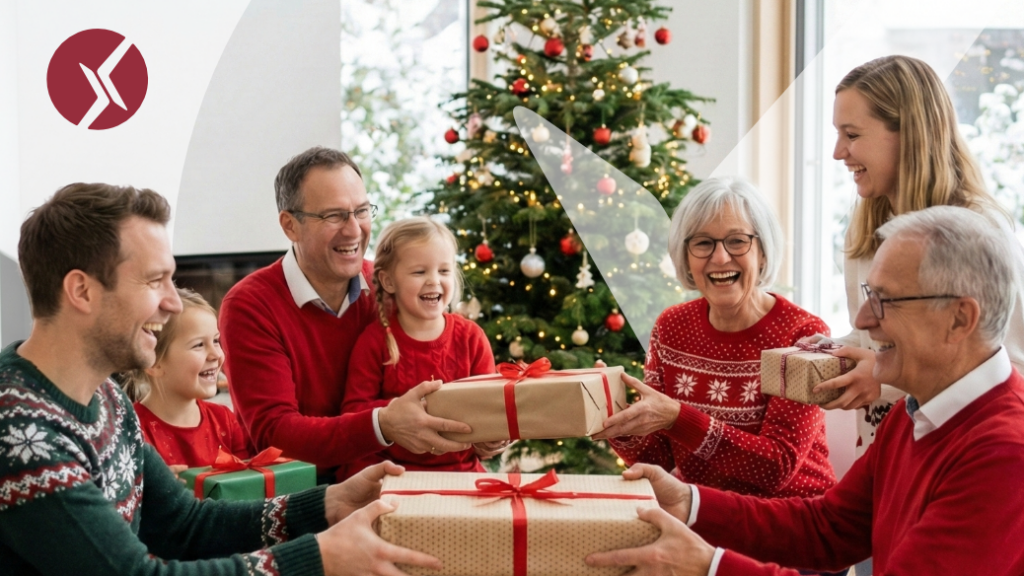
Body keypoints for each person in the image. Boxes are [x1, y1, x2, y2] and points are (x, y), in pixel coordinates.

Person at [0, 182, 443, 576]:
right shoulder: (21, 431)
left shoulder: (106, 398)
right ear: (82, 291)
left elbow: (186, 525)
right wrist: (316, 557)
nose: (174, 303)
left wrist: (329, 502)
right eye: (156, 282)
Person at [587, 206, 1024, 576]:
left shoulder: (1004, 455)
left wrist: (711, 565)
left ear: (960, 319)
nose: (865, 320)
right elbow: (826, 528)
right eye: (870, 294)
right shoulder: (915, 413)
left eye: (885, 300)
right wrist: (690, 502)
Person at [219, 147, 472, 483]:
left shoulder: (394, 288)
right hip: (303, 498)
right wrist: (382, 424)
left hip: (403, 482)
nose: (354, 231)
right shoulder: (250, 305)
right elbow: (274, 435)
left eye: (362, 211)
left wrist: (484, 430)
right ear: (290, 225)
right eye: (334, 216)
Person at [815, 55, 1024, 454]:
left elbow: (1012, 371)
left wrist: (882, 380)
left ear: (908, 135)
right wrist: (826, 352)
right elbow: (874, 341)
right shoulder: (864, 232)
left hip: (960, 459)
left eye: (852, 134)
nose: (838, 153)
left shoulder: (981, 236)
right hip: (883, 459)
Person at [595, 177, 836, 499]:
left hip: (793, 519)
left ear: (763, 252)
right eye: (703, 243)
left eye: (737, 241)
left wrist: (679, 418)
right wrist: (614, 417)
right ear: (686, 257)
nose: (720, 258)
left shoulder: (803, 335)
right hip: (705, 515)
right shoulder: (671, 327)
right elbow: (656, 460)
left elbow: (776, 468)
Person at [341, 217, 506, 479]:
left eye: (444, 271)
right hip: (393, 476)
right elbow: (354, 416)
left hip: (461, 474)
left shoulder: (471, 338)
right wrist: (398, 413)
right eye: (420, 272)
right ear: (389, 281)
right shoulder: (375, 342)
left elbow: (491, 407)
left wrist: (493, 438)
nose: (433, 281)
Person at [125, 287, 252, 473]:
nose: (216, 354)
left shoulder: (225, 420)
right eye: (199, 345)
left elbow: (243, 486)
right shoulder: (131, 431)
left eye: (216, 341)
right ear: (153, 363)